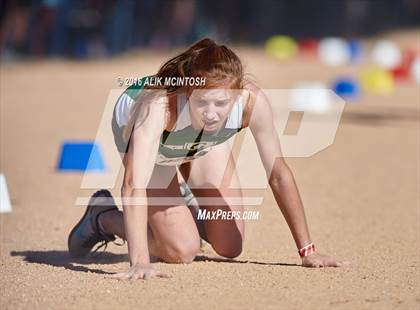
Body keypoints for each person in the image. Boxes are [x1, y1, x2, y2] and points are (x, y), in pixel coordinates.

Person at [68, 38, 346, 280]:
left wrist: (308, 250)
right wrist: (139, 261)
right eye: (202, 102)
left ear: (236, 94)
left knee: (229, 247)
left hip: (202, 143)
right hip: (159, 152)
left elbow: (278, 174)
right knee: (181, 250)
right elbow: (132, 185)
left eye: (221, 104)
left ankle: (182, 205)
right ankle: (102, 217)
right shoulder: (158, 107)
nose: (211, 113)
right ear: (188, 92)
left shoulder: (251, 102)